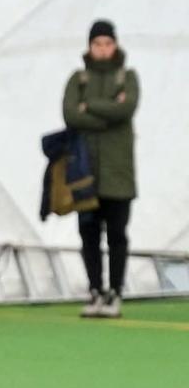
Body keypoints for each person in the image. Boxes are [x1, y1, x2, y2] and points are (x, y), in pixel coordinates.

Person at [63, 19, 139, 318]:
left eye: (108, 43)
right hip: (85, 172)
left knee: (117, 234)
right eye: (97, 44)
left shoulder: (127, 76)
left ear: (115, 45)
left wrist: (89, 107)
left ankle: (115, 293)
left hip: (119, 173)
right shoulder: (78, 78)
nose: (103, 49)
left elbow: (127, 108)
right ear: (89, 46)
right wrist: (109, 110)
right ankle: (95, 290)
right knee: (88, 233)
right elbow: (70, 114)